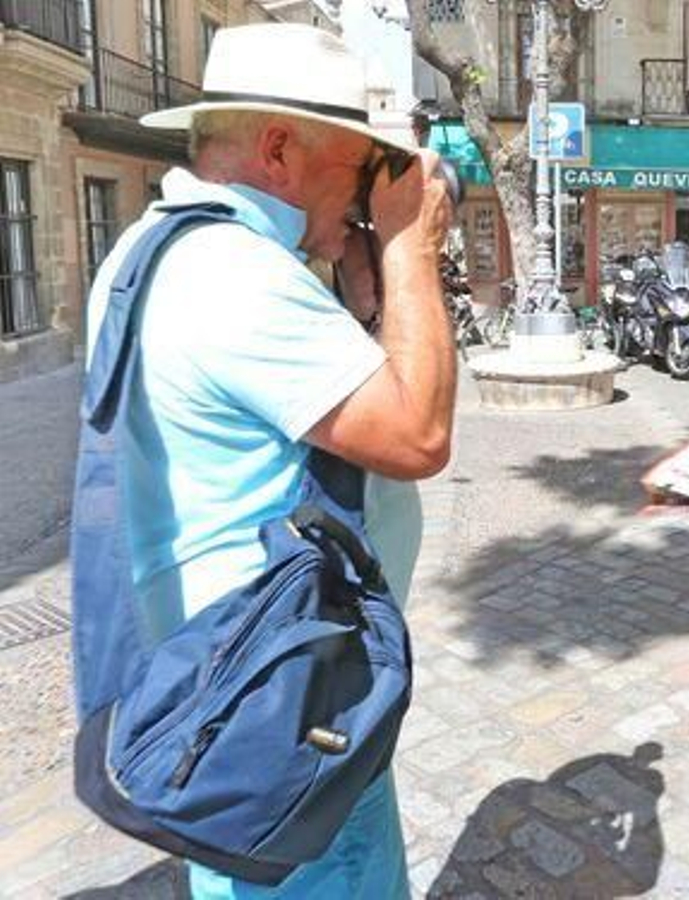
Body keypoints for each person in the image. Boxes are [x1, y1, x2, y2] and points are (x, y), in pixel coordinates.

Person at [83, 24, 455, 897]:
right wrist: (413, 249)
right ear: (281, 149)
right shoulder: (233, 274)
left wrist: (367, 307)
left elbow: (330, 416)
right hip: (281, 697)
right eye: (364, 169)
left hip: (239, 680)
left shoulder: (164, 246)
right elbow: (418, 438)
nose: (371, 199)